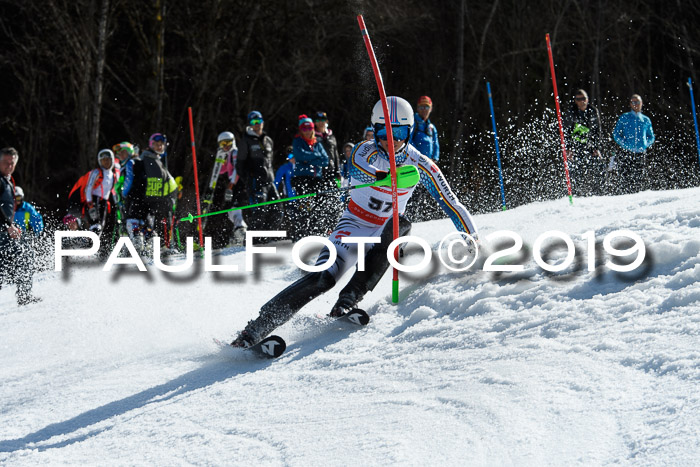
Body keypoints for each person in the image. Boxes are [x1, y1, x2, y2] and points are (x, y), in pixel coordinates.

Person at [230, 96, 478, 348]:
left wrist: (473, 243)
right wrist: (391, 177)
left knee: (400, 224)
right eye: (382, 130)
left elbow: (452, 204)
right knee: (321, 279)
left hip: (384, 232)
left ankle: (347, 300)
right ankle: (253, 331)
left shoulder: (421, 164)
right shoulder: (364, 150)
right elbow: (362, 170)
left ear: (410, 130)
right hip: (352, 226)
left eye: (399, 132)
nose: (389, 139)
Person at [121, 133, 178, 253]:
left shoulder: (158, 162)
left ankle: (149, 243)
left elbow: (169, 182)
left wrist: (172, 194)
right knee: (135, 220)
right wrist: (125, 194)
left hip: (152, 201)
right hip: (138, 197)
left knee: (146, 223)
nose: (159, 147)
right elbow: (131, 179)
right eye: (156, 144)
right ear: (151, 144)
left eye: (161, 145)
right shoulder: (143, 159)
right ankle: (139, 243)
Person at [0, 147, 41, 305]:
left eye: (12, 163)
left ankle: (24, 295)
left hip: (5, 230)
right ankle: (24, 296)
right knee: (24, 255)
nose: (9, 166)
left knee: (22, 256)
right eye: (5, 162)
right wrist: (8, 225)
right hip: (4, 231)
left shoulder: (7, 180)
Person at [235, 111, 282, 232]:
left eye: (259, 121)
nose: (257, 124)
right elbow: (239, 165)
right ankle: (252, 240)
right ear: (250, 124)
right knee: (260, 211)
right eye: (254, 122)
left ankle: (267, 237)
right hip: (255, 181)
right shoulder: (246, 141)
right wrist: (249, 179)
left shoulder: (268, 140)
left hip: (269, 181)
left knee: (278, 210)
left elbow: (269, 162)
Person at [65, 149, 120, 246]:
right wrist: (90, 205)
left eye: (108, 160)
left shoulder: (113, 175)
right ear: (100, 162)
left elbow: (113, 191)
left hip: (104, 202)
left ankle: (89, 246)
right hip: (94, 201)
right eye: (104, 160)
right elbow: (88, 188)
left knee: (101, 227)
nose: (106, 162)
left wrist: (117, 203)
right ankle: (85, 245)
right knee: (96, 226)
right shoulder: (97, 172)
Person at [289, 114, 329, 240]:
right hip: (302, 178)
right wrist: (315, 157)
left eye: (309, 128)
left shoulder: (317, 142)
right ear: (301, 130)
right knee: (304, 206)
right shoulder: (297, 141)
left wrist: (310, 158)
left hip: (317, 179)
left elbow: (325, 160)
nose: (307, 131)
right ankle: (300, 233)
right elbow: (300, 156)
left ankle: (317, 231)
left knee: (319, 206)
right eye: (304, 129)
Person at [204, 131, 247, 248]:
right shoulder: (229, 154)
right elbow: (223, 171)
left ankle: (241, 232)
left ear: (233, 142)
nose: (226, 146)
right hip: (233, 184)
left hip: (238, 184)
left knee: (234, 209)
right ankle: (239, 231)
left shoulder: (235, 153)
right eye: (223, 144)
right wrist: (219, 161)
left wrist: (231, 184)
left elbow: (237, 170)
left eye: (228, 143)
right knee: (230, 211)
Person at [611, 94, 655, 193]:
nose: (635, 104)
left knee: (639, 177)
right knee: (625, 177)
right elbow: (616, 134)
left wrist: (645, 144)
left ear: (641, 103)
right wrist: (623, 144)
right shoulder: (624, 117)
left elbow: (651, 136)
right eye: (633, 102)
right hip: (626, 152)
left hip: (640, 152)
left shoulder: (646, 119)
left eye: (637, 102)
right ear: (630, 104)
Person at [563, 89, 603, 196]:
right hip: (575, 147)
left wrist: (596, 147)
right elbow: (566, 131)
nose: (582, 101)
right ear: (575, 101)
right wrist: (568, 148)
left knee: (598, 167)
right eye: (579, 99)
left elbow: (597, 130)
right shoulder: (571, 112)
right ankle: (576, 194)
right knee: (576, 171)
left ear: (588, 99)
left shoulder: (593, 111)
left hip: (589, 146)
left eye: (583, 98)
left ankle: (598, 193)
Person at [410, 95, 439, 161]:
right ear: (417, 108)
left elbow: (436, 145)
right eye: (421, 107)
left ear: (431, 109)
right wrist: (417, 156)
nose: (424, 110)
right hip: (415, 160)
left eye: (426, 107)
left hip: (429, 162)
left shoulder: (432, 127)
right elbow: (409, 141)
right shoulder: (413, 123)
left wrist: (435, 159)